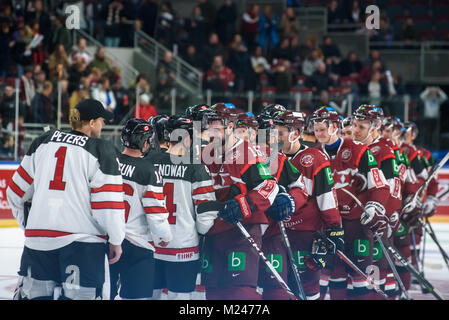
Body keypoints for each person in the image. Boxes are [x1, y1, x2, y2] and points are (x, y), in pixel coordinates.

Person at [7, 99, 125, 300]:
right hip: (82, 245)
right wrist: (116, 239)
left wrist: (30, 226)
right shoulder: (101, 150)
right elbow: (108, 205)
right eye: (101, 121)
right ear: (91, 123)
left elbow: (15, 192)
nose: (103, 125)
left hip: (38, 245)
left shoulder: (43, 140)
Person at [200, 103, 280, 300]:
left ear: (229, 127)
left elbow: (270, 186)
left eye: (216, 128)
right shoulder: (205, 153)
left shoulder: (247, 152)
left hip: (242, 230)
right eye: (209, 127)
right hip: (214, 229)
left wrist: (244, 204)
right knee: (214, 291)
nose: (211, 131)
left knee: (240, 292)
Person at [311, 106, 391, 300]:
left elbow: (380, 186)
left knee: (360, 274)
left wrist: (374, 207)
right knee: (329, 272)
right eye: (316, 129)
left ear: (334, 127)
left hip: (356, 223)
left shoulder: (358, 151)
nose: (319, 133)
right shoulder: (312, 154)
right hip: (329, 225)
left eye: (323, 128)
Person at [267, 106, 342, 300]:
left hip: (305, 235)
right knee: (276, 287)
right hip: (275, 233)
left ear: (296, 133)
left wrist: (334, 227)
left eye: (281, 133)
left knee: (307, 287)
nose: (276, 137)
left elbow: (327, 196)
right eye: (273, 132)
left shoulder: (315, 158)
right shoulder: (269, 157)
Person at [151, 115, 219, 300]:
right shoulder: (196, 166)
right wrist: (198, 231)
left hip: (150, 244)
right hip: (183, 248)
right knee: (179, 298)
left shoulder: (148, 160)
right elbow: (206, 212)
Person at [110, 118, 172, 300]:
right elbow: (156, 212)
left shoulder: (110, 162)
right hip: (137, 245)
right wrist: (164, 235)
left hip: (109, 239)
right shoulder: (148, 170)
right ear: (145, 142)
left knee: (105, 294)